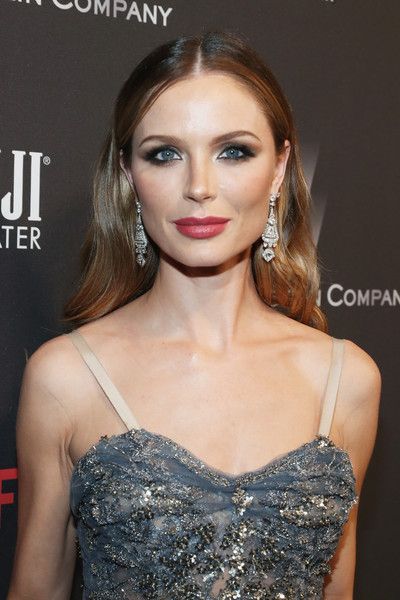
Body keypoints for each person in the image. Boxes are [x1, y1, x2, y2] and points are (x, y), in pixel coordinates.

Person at [8, 30, 381, 600]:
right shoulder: (65, 380)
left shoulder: (347, 381)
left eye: (234, 150)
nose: (199, 187)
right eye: (164, 154)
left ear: (280, 168)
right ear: (130, 176)